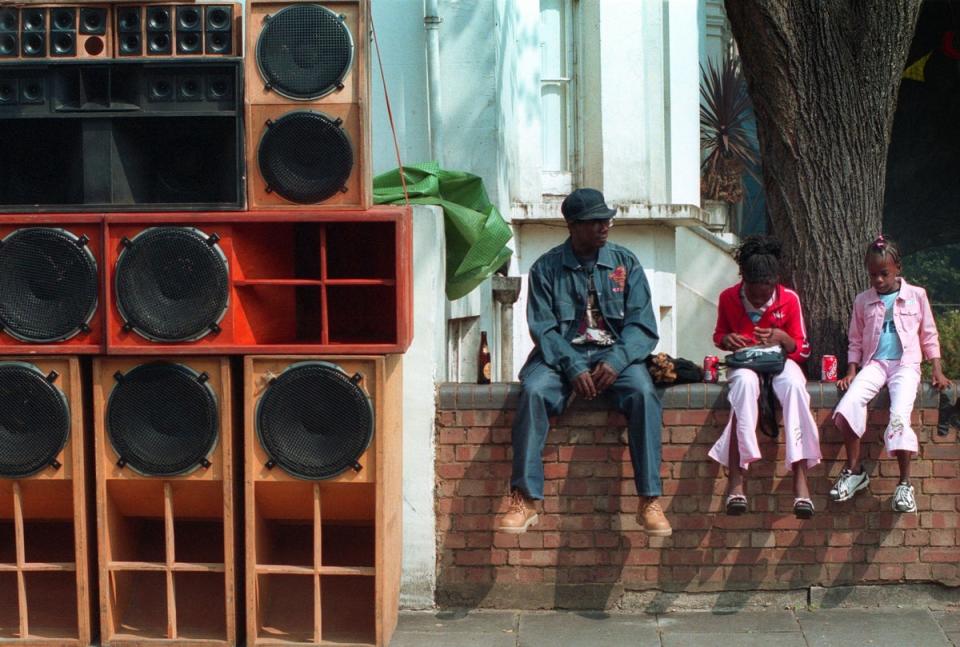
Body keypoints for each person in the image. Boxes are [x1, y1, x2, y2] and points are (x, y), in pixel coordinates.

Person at [496, 188, 670, 536]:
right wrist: (573, 365)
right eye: (595, 221)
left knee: (643, 392)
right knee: (532, 392)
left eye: (606, 219)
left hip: (615, 354)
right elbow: (543, 329)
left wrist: (619, 359)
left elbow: (642, 325)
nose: (604, 226)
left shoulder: (626, 262)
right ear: (573, 226)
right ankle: (525, 499)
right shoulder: (546, 268)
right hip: (561, 356)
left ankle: (649, 499)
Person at [831, 235, 950, 512]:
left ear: (898, 268)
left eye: (884, 273)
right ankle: (854, 471)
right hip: (875, 364)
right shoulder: (863, 300)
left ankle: (905, 484)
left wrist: (937, 370)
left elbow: (929, 334)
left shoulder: (916, 296)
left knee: (899, 416)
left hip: (906, 365)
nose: (879, 280)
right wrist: (851, 370)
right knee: (848, 405)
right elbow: (856, 339)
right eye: (873, 275)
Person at [708, 236, 821, 519]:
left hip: (780, 361)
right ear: (743, 280)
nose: (759, 302)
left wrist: (782, 338)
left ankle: (800, 479)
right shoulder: (728, 297)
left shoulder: (789, 299)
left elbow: (803, 349)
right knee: (744, 386)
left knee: (796, 387)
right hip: (746, 362)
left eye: (764, 295)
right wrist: (729, 339)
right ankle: (737, 477)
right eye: (753, 295)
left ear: (774, 283)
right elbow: (719, 335)